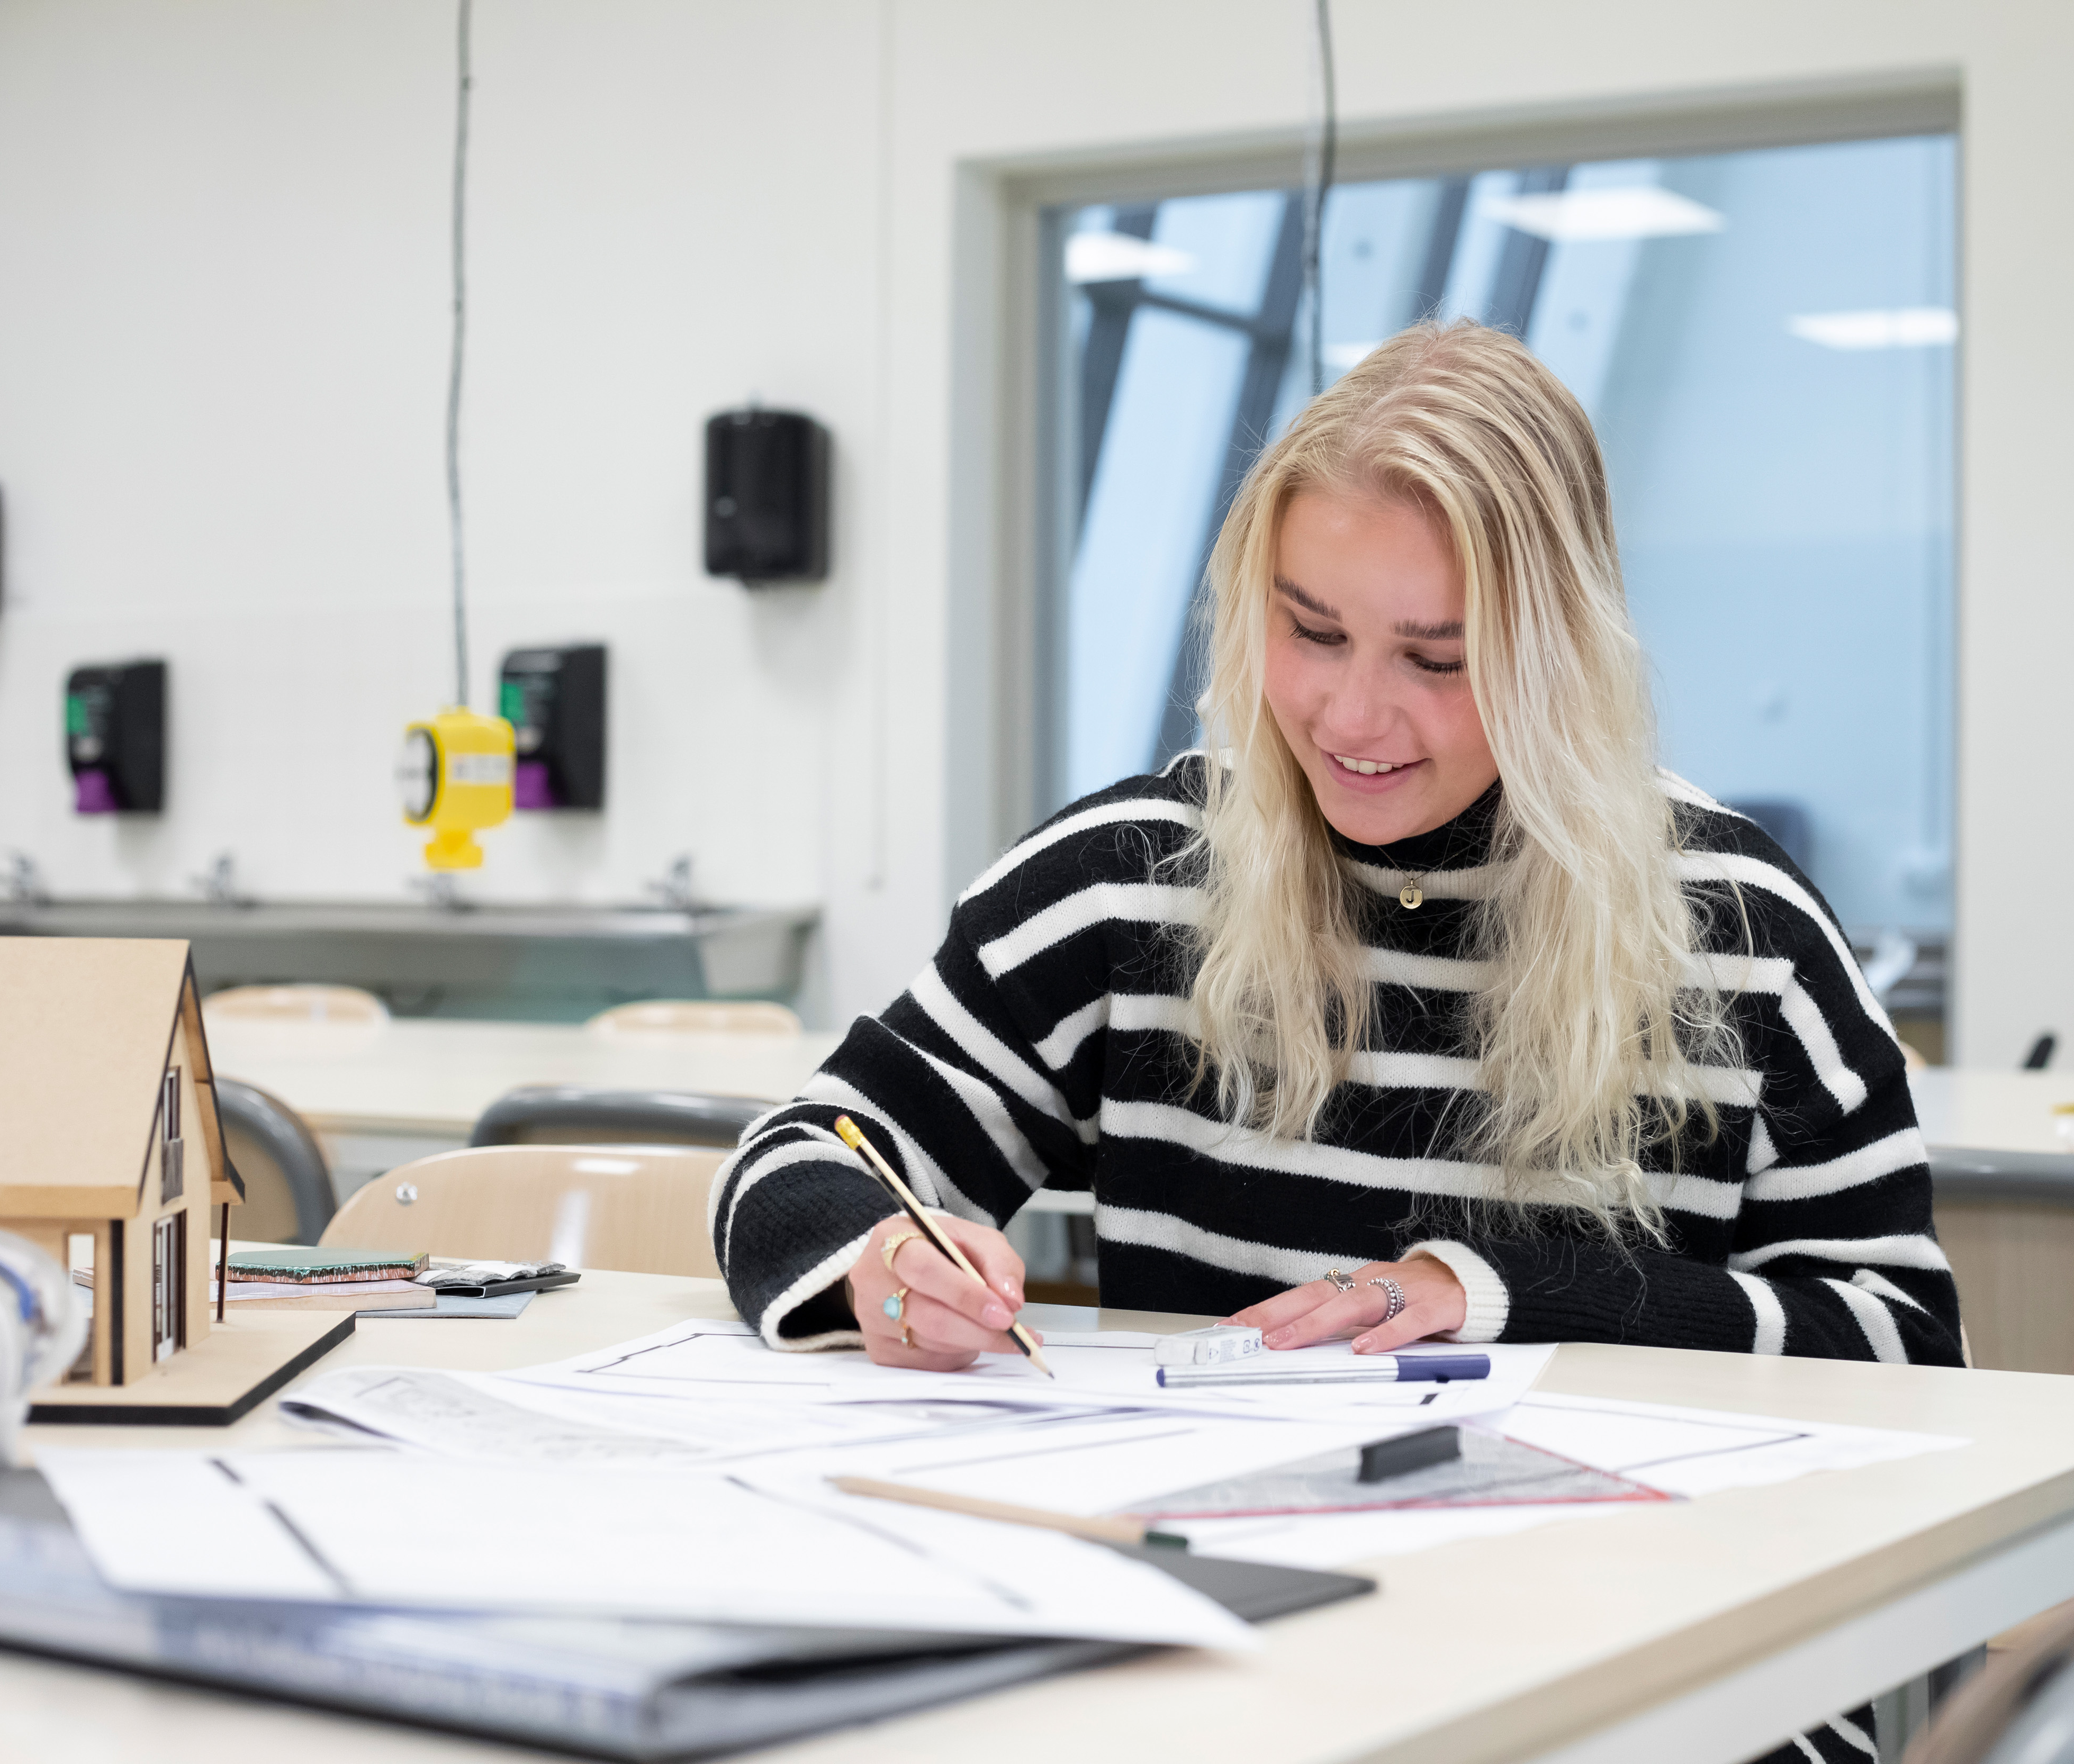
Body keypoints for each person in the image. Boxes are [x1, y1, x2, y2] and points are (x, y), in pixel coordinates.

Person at [715, 321, 1951, 1762]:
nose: (1354, 718)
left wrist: (1505, 1293)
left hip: (1651, 1673)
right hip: (1229, 1675)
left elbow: (1910, 1355)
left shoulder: (1738, 933)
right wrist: (879, 1255)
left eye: (1439, 659)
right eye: (1310, 633)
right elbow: (805, 1155)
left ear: (1558, 656)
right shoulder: (1134, 881)